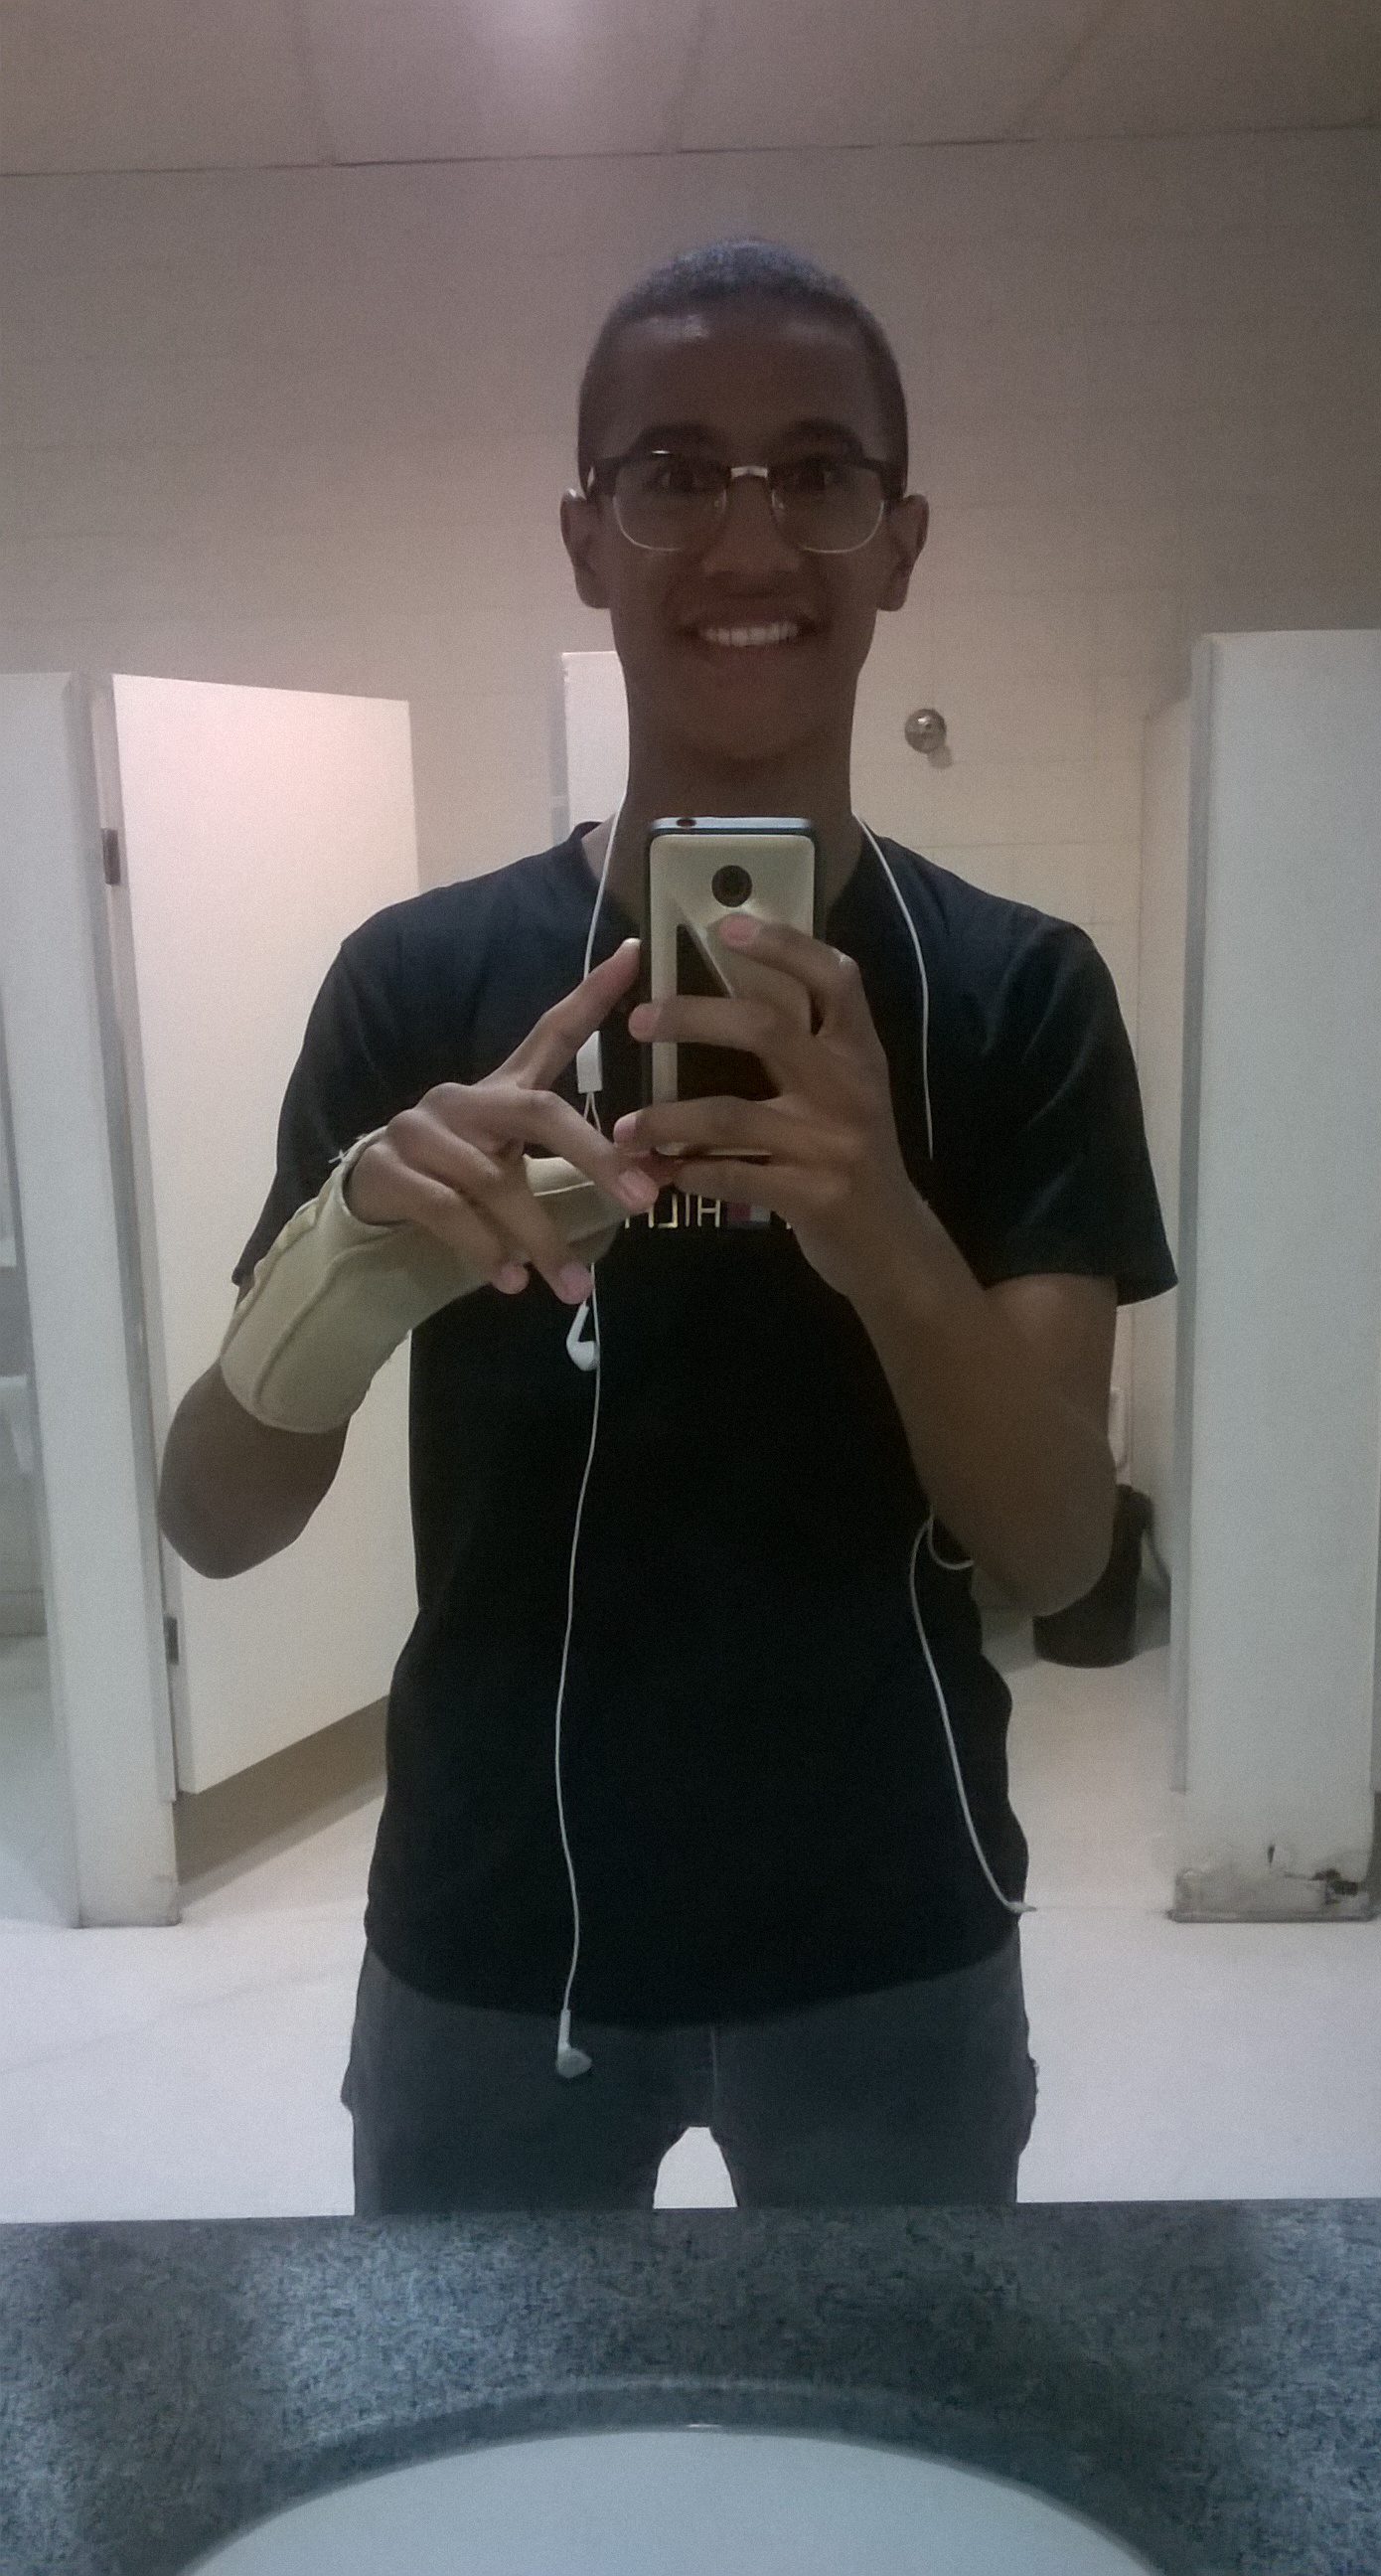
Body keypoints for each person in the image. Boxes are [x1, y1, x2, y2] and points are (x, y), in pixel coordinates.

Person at [159, 240, 1177, 2213]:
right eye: (672, 472)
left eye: (818, 473)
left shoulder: (1014, 995)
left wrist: (881, 1225)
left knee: (886, 2422)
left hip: (889, 1934)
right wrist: (348, 1271)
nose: (747, 536)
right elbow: (213, 1518)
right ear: (584, 539)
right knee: (484, 2425)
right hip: (491, 1941)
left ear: (898, 543)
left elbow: (1058, 1552)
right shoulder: (419, 986)